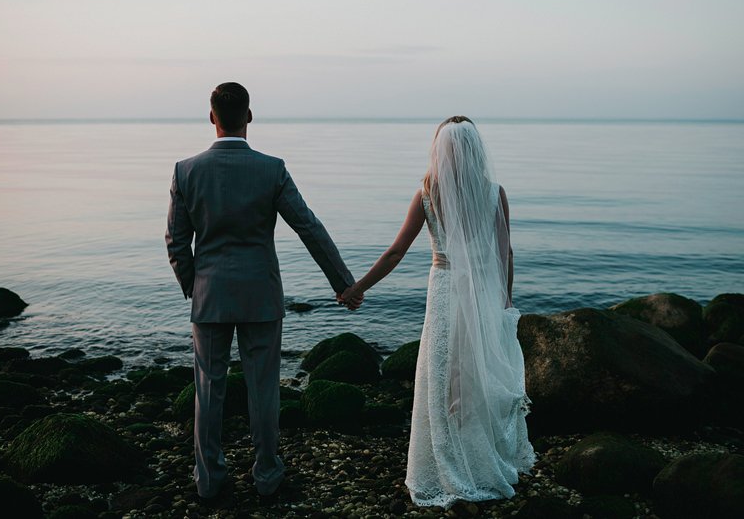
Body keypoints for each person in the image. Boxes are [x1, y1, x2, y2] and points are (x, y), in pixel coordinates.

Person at [166, 82, 361, 503]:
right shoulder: (272, 169)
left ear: (212, 117)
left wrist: (194, 285)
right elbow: (308, 226)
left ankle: (209, 480)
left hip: (210, 296)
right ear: (249, 116)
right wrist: (343, 283)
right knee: (264, 388)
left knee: (208, 389)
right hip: (261, 296)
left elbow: (177, 243)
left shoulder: (186, 170)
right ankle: (268, 476)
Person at [340, 116, 535, 508]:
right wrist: (505, 301)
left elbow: (396, 252)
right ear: (475, 150)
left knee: (442, 377)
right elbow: (505, 253)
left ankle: (446, 465)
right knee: (475, 377)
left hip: (445, 289)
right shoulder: (494, 192)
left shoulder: (427, 193)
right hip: (482, 294)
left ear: (440, 151)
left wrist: (358, 287)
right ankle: (482, 463)